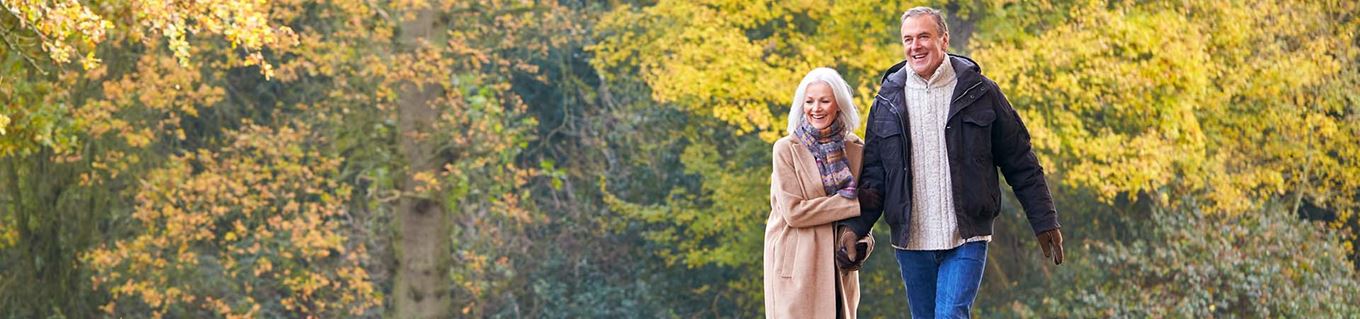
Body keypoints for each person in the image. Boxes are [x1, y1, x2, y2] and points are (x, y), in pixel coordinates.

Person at [837, 7, 1066, 318]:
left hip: (966, 235)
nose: (915, 46)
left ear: (944, 40)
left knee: (951, 315)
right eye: (908, 39)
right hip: (911, 240)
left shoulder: (980, 91)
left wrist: (1044, 219)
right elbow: (875, 177)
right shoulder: (887, 101)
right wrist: (856, 226)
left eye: (923, 37)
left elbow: (1020, 160)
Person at [764, 67, 877, 318]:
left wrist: (863, 244)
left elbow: (863, 219)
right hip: (797, 266)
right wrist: (853, 202)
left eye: (825, 101)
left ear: (838, 104)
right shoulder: (785, 149)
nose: (817, 108)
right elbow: (794, 213)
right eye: (810, 101)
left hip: (838, 269)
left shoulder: (856, 149)